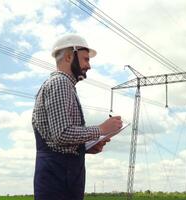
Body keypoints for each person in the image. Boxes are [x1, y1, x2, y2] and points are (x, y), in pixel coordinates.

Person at [32, 34, 123, 200]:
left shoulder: (65, 85)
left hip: (60, 177)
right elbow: (61, 134)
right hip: (58, 181)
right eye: (86, 59)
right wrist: (101, 129)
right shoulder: (60, 83)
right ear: (69, 56)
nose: (89, 66)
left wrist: (86, 147)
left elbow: (58, 141)